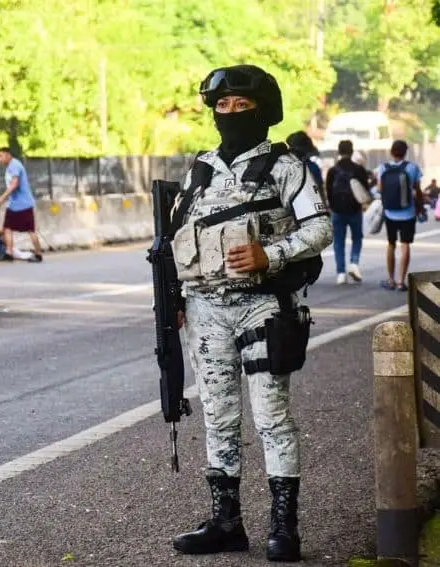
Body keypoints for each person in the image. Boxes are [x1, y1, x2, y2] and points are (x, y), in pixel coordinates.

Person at [169, 65, 333, 562]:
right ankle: (226, 522)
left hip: (263, 307)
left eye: (242, 106)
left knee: (271, 417)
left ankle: (284, 528)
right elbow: (176, 240)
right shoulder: (199, 171)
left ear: (263, 112)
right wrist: (175, 299)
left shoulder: (286, 168)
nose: (231, 114)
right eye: (223, 106)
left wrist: (272, 255)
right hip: (205, 312)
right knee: (218, 417)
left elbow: (320, 228)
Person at [375, 140, 424, 291]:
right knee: (405, 245)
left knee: (391, 244)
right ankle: (401, 281)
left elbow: (379, 189)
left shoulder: (383, 168)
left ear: (391, 152)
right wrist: (420, 208)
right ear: (405, 152)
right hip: (408, 213)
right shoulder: (412, 168)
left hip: (390, 212)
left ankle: (390, 280)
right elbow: (417, 190)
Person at [0, 147, 43, 262]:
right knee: (7, 228)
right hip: (13, 205)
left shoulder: (15, 165)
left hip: (24, 204)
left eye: (0, 156)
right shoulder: (9, 167)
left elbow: (14, 184)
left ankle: (38, 254)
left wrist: (2, 198)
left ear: (7, 155)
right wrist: (5, 200)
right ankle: (9, 252)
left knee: (30, 230)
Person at [325, 139, 371, 284]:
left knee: (338, 242)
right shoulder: (359, 169)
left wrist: (332, 207)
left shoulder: (333, 170)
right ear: (351, 152)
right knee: (357, 238)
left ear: (339, 152)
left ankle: (340, 274)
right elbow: (365, 190)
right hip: (355, 210)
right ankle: (354, 263)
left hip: (337, 211)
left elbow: (328, 191)